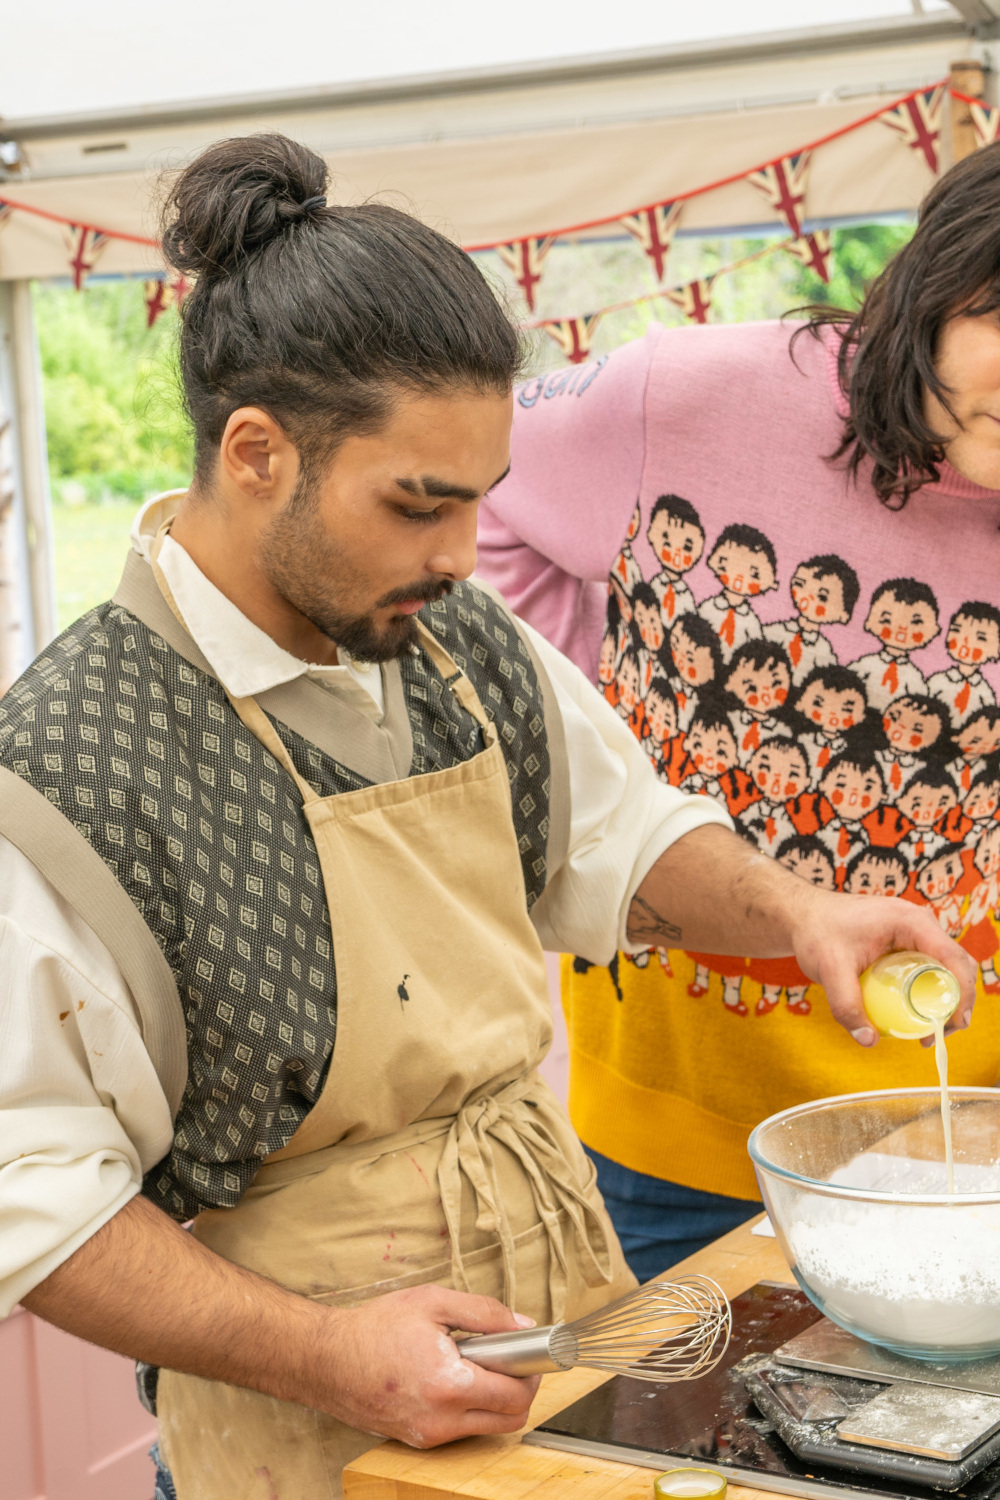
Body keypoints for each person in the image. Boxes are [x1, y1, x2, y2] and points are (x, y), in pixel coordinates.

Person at [0, 135, 967, 1498]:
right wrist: (330, 1355)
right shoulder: (65, 771)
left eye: (476, 503)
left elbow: (622, 834)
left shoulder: (447, 639)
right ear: (257, 453)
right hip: (300, 1403)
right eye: (417, 504)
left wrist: (798, 914)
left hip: (563, 1334)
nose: (460, 554)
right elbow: (33, 1198)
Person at [476, 139, 1000, 1282]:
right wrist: (585, 731)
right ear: (939, 280)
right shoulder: (686, 395)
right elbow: (478, 478)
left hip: (962, 1122)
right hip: (679, 1118)